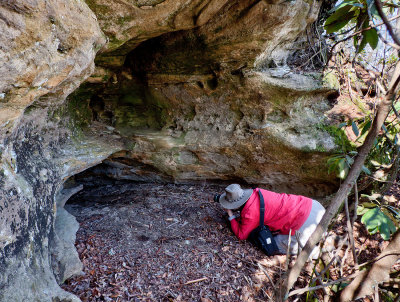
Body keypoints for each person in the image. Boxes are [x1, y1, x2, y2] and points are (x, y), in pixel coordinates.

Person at [217, 183, 325, 258]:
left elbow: (241, 235)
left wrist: (230, 214)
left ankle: (319, 253)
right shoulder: (256, 192)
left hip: (306, 224)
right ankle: (323, 237)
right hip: (314, 206)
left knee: (276, 245)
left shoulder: (250, 213)